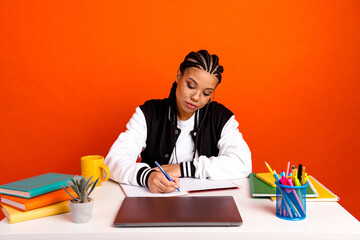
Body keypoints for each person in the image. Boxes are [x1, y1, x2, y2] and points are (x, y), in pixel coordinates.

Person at [105, 50, 252, 193]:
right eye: (191, 86)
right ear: (178, 76)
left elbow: (243, 164)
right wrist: (147, 176)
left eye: (206, 93)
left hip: (206, 206)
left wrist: (184, 169)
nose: (196, 97)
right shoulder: (149, 113)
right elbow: (113, 161)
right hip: (156, 204)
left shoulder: (220, 117)